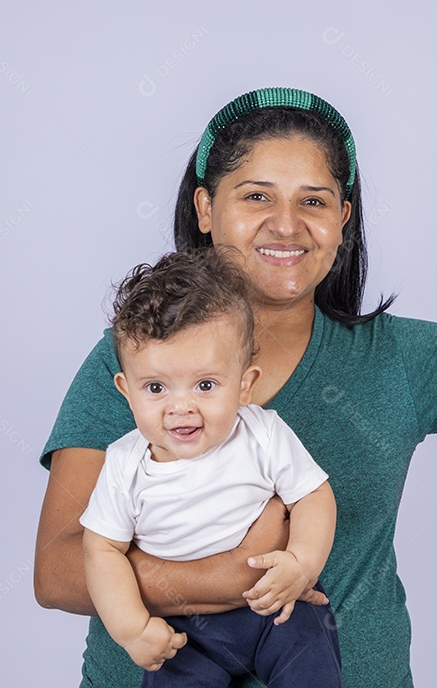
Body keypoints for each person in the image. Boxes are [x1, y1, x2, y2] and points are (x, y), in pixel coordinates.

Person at [35, 87, 437, 688]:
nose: (287, 225)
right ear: (205, 208)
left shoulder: (399, 359)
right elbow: (58, 572)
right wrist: (227, 579)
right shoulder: (139, 360)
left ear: (342, 219)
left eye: (315, 201)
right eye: (255, 196)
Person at [81, 248, 343, 686]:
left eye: (205, 385)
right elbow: (101, 550)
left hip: (271, 605)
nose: (180, 407)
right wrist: (132, 629)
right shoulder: (125, 463)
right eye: (155, 387)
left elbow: (313, 495)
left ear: (245, 385)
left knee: (308, 647)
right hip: (185, 629)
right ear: (126, 392)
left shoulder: (262, 433)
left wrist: (301, 563)